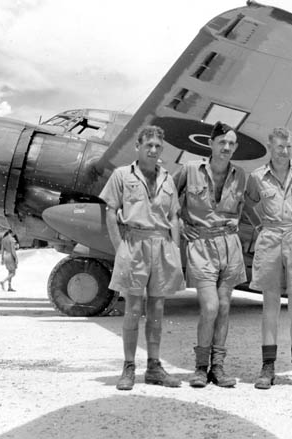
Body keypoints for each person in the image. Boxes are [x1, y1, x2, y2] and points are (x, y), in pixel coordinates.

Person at [100, 125, 185, 391]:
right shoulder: (122, 175)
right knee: (133, 309)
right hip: (133, 244)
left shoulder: (167, 178)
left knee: (157, 310)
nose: (153, 150)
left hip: (161, 245)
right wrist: (119, 249)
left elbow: (173, 216)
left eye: (158, 147)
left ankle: (154, 366)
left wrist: (175, 250)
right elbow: (110, 211)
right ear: (138, 146)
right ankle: (128, 367)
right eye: (148, 145)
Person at [243, 127, 292, 390]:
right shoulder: (257, 177)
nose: (284, 152)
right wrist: (260, 227)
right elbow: (249, 204)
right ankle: (268, 368)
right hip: (270, 240)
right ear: (270, 147)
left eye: (288, 147)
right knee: (270, 306)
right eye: (279, 147)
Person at [173, 121, 247, 388]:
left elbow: (241, 208)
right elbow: (167, 200)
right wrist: (180, 224)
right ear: (211, 144)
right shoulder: (190, 169)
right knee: (211, 307)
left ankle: (218, 368)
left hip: (229, 245)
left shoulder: (241, 175)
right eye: (222, 142)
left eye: (231, 143)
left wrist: (237, 221)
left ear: (235, 147)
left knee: (224, 308)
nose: (226, 147)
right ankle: (200, 368)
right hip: (201, 246)